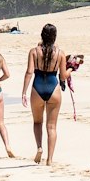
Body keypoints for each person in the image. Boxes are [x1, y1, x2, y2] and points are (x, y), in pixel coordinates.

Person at [22, 22, 69, 166]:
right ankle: (49, 160)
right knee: (52, 126)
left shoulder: (34, 52)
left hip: (37, 88)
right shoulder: (60, 53)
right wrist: (72, 69)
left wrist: (24, 92)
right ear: (55, 36)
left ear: (42, 35)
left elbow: (29, 72)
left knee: (37, 122)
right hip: (53, 88)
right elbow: (63, 76)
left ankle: (39, 147)